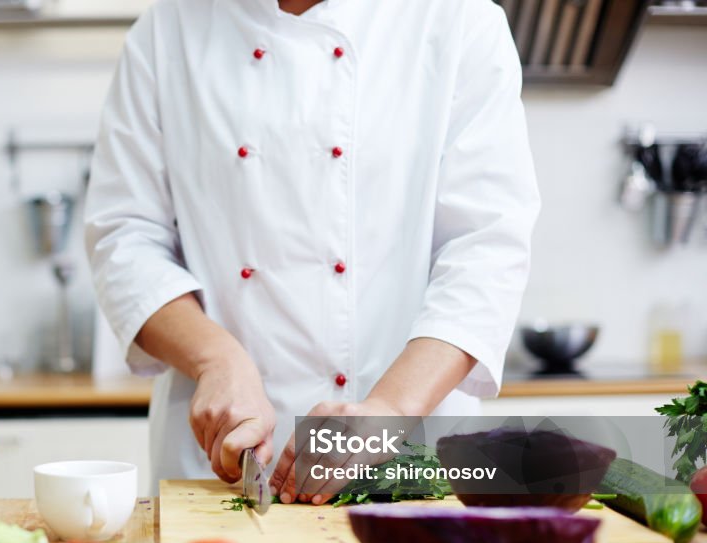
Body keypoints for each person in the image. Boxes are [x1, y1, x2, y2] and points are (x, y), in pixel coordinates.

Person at [85, 0, 540, 503]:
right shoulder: (166, 31)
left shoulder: (458, 21)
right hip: (225, 465)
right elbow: (123, 238)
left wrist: (390, 409)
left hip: (412, 449)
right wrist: (216, 361)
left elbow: (487, 247)